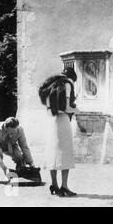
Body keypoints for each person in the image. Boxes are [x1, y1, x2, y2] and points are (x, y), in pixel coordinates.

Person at [43, 67, 79, 197]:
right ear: (72, 77)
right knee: (65, 154)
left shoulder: (51, 86)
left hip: (51, 122)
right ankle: (64, 186)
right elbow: (67, 107)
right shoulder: (68, 84)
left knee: (53, 153)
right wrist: (78, 111)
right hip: (63, 121)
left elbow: (48, 108)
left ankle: (54, 185)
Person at [0, 117, 34, 183]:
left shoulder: (19, 129)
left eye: (15, 130)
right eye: (12, 131)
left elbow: (24, 146)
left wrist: (30, 162)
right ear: (6, 128)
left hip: (7, 143)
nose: (14, 132)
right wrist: (4, 168)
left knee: (18, 155)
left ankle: (21, 172)